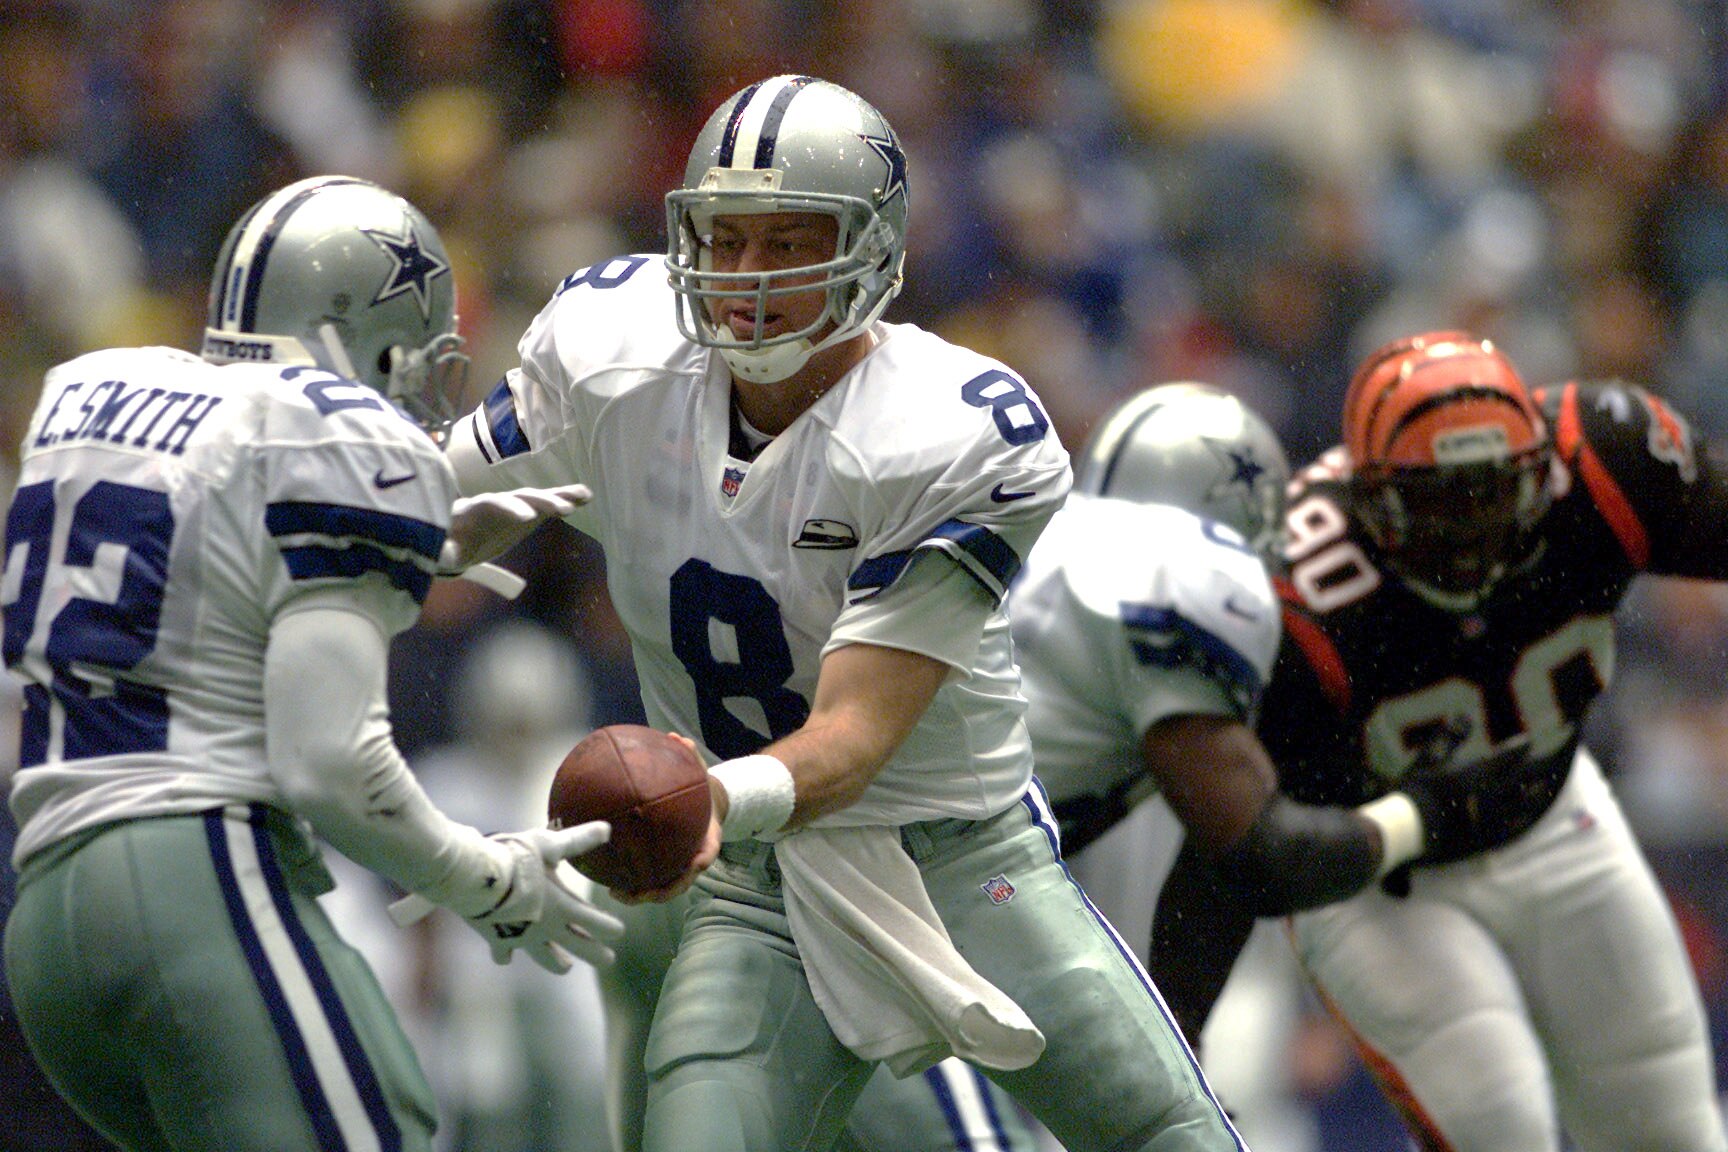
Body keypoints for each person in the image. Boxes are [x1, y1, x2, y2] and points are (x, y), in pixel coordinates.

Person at [441, 75, 1243, 1152]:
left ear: (874, 247)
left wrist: (702, 794)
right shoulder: (613, 351)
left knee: (1165, 1137)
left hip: (957, 862)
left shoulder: (953, 432)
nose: (750, 279)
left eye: (789, 241)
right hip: (755, 888)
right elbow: (424, 513)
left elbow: (854, 740)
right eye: (727, 240)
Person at [1, 174, 624, 1152]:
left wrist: (425, 542)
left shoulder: (97, 387)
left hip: (46, 914)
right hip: (195, 881)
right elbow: (330, 764)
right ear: (369, 333)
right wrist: (487, 881)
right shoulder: (338, 429)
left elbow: (208, 573)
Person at [1216, 330, 1728, 1150]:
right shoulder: (1294, 586)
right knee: (1500, 1124)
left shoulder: (1604, 461)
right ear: (1365, 492)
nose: (1472, 531)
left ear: (1541, 474)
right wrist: (1421, 818)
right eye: (1441, 502)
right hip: (1384, 885)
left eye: (1493, 494)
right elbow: (1264, 851)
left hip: (1554, 818)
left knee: (1670, 1132)